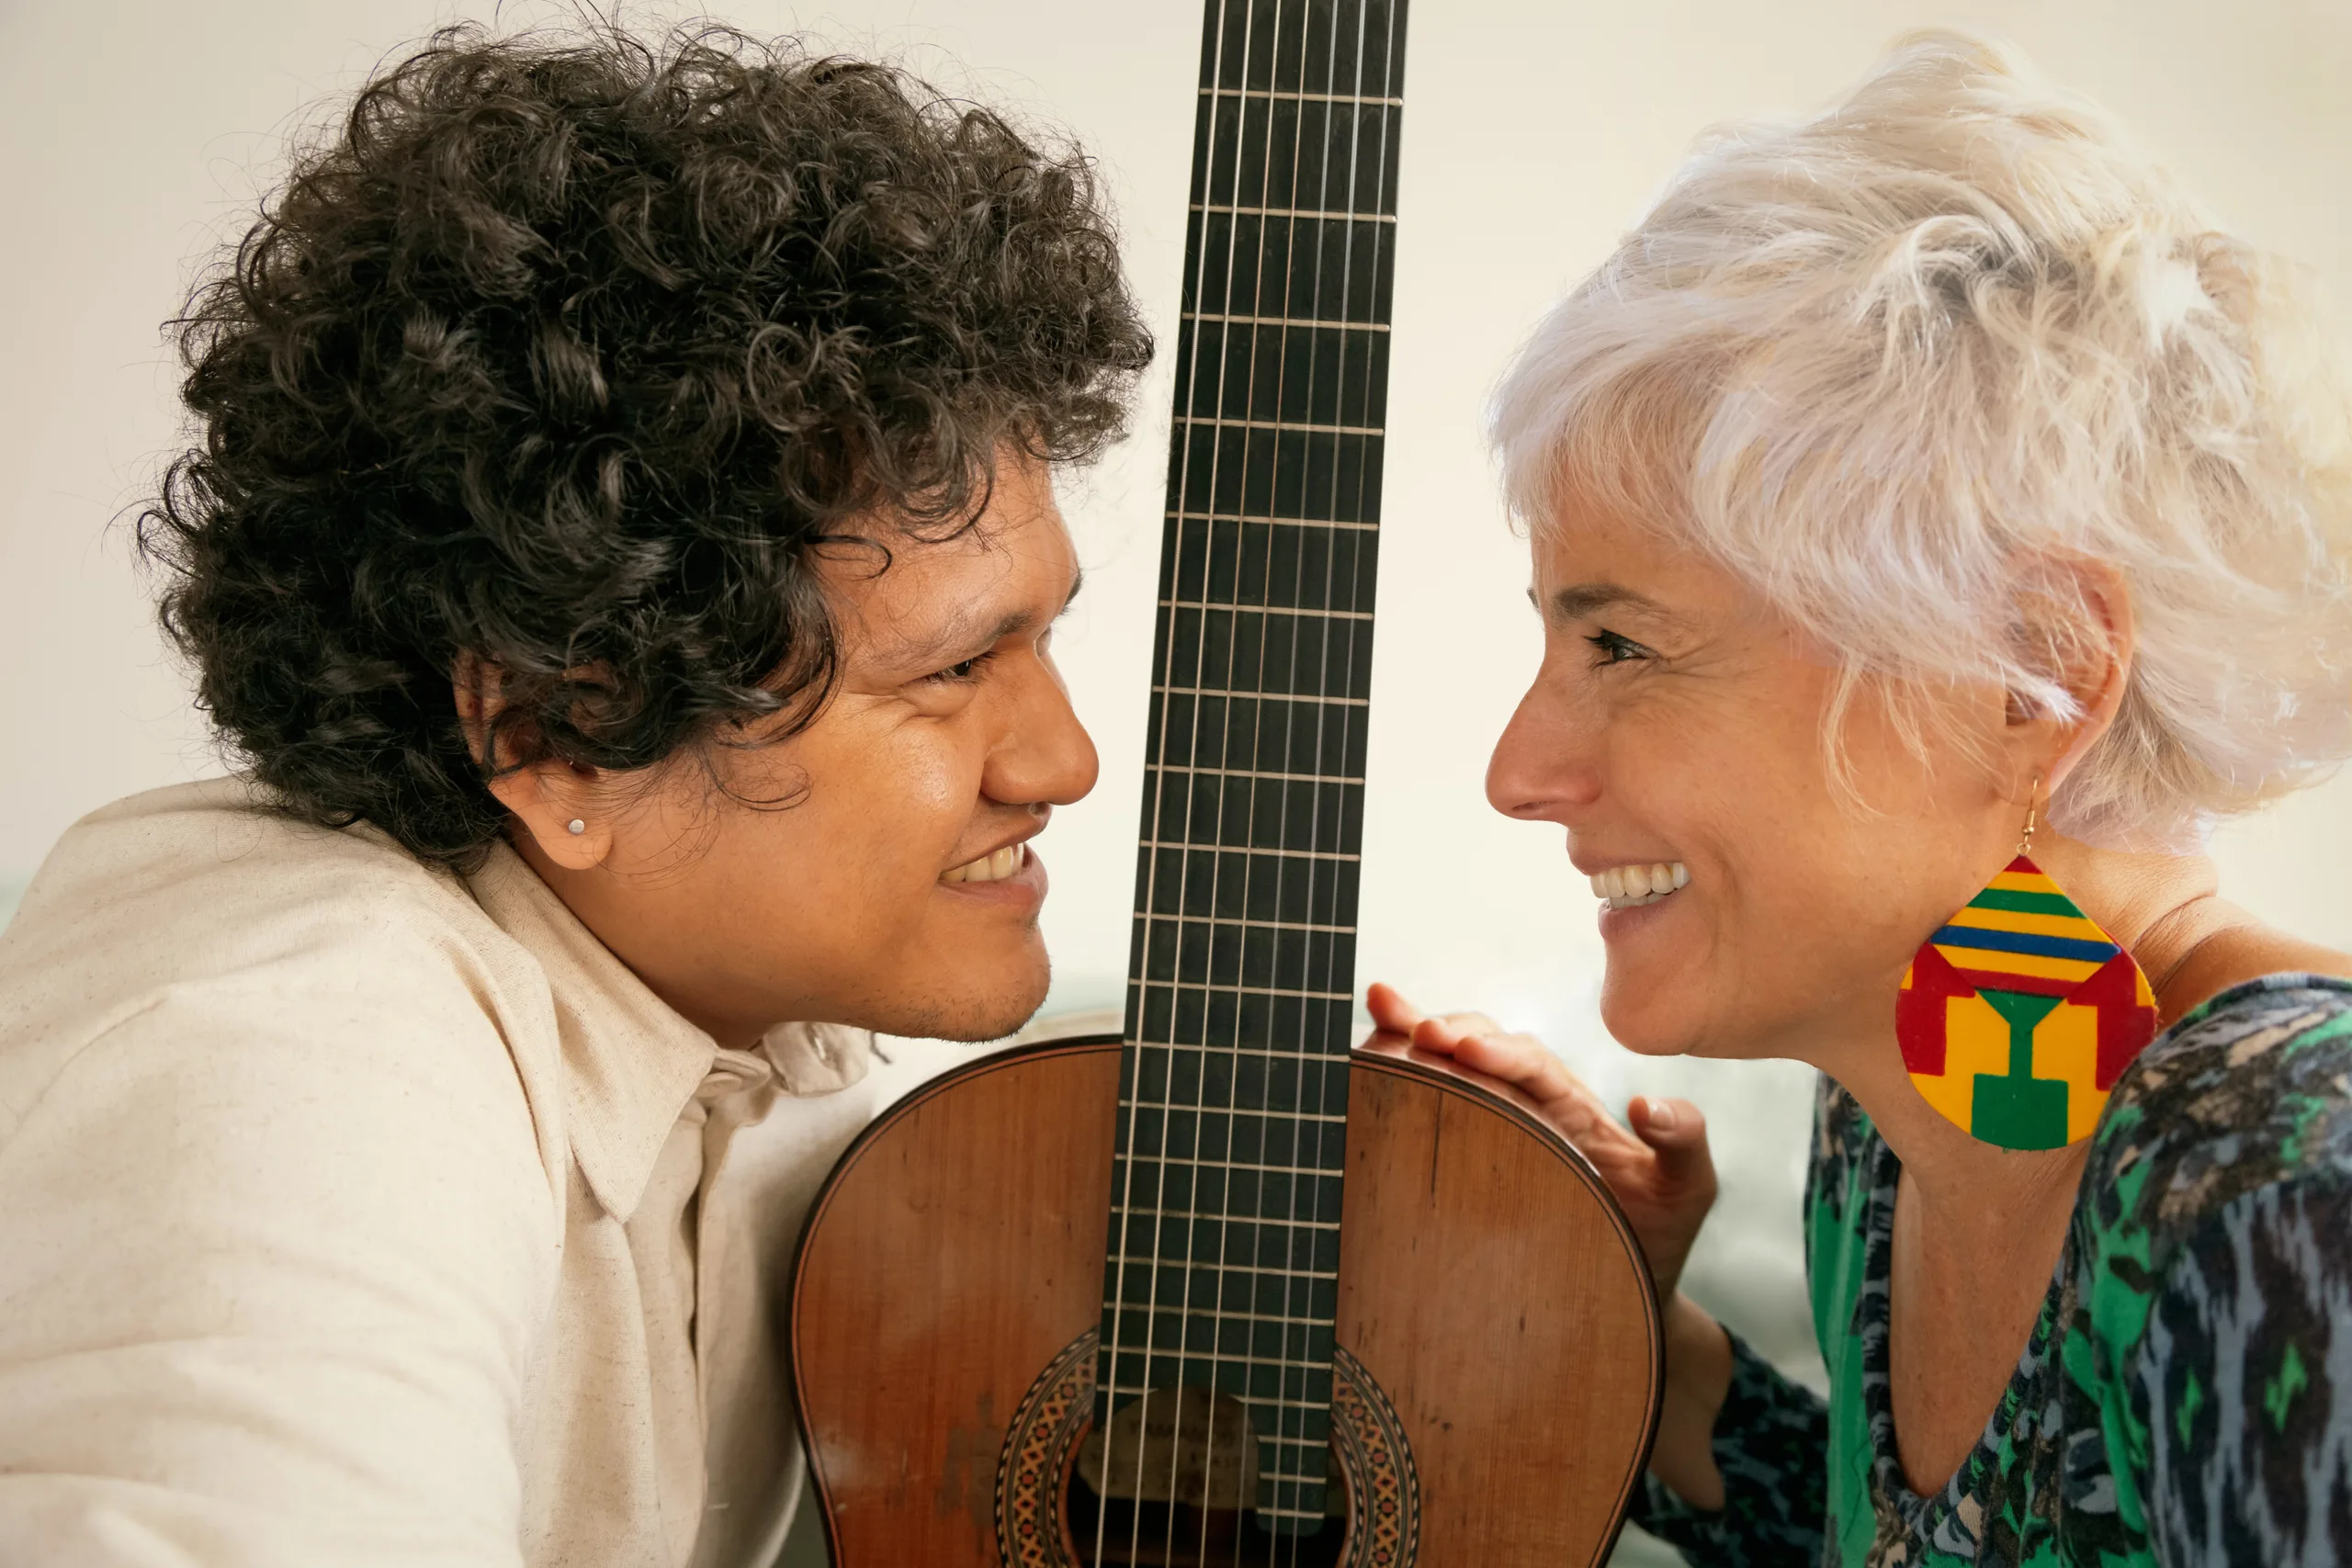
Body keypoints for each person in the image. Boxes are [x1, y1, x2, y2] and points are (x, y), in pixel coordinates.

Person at [0, 22, 1148, 1567]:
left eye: (1044, 632)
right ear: (552, 732)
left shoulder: (752, 1016)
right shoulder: (303, 1057)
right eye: (947, 672)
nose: (1063, 758)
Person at [1369, 30, 2352, 1567]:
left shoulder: (2293, 1180)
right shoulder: (1940, 1078)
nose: (1520, 770)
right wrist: (1617, 1315)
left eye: (1622, 643)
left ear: (2029, 670)